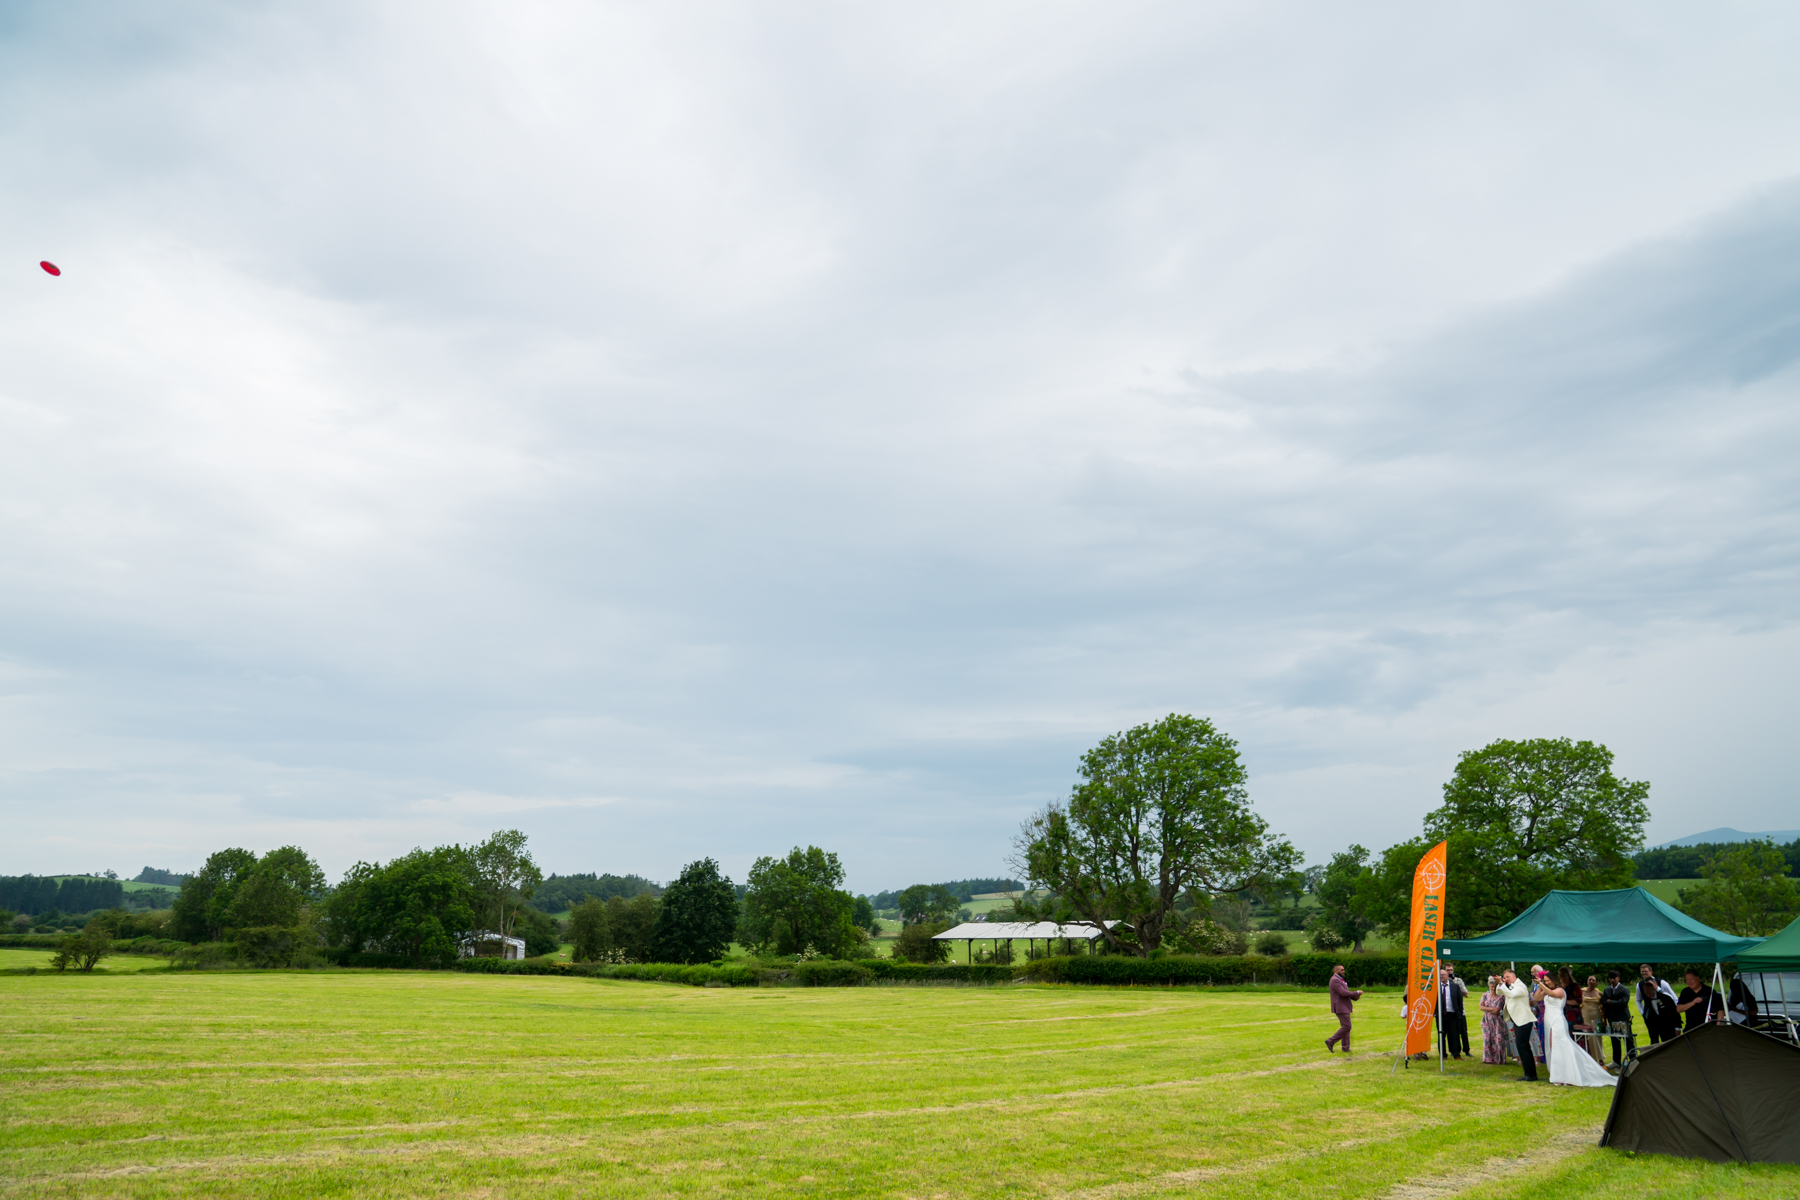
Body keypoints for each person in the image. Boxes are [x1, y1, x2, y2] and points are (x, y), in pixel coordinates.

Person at [1539, 966, 1616, 1087]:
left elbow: (1551, 993)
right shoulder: (1545, 989)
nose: (1546, 982)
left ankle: (1563, 1074)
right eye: (1545, 980)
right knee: (1552, 1047)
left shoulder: (1559, 990)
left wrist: (1541, 984)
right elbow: (1537, 998)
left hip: (1557, 1020)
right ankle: (1558, 1073)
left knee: (1560, 1046)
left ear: (1554, 980)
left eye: (1548, 980)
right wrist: (1540, 985)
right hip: (1548, 1021)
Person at [1497, 968, 1539, 1081]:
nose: (1506, 979)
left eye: (1507, 977)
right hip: (1517, 1019)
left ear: (1514, 976)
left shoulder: (1520, 986)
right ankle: (1529, 1073)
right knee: (1522, 1046)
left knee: (1523, 1046)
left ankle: (1530, 1074)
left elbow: (1510, 994)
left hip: (1524, 1019)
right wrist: (1500, 983)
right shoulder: (1511, 986)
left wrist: (1502, 983)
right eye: (1504, 977)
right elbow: (1499, 992)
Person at [1600, 970, 1636, 1066]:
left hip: (1623, 1018)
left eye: (1614, 978)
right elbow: (1604, 1003)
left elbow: (1623, 1003)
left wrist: (1610, 1001)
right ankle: (1616, 1061)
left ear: (1618, 978)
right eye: (1610, 978)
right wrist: (1615, 1002)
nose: (1612, 980)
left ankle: (1632, 1060)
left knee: (1628, 1039)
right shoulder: (1607, 990)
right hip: (1612, 1018)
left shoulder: (1625, 989)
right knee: (1615, 1040)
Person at [1636, 965, 1680, 1044]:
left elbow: (1674, 999)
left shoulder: (1662, 983)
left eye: (1645, 971)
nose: (1644, 973)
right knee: (1653, 1039)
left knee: (1667, 1039)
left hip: (1665, 1018)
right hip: (1651, 1017)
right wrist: (1642, 1012)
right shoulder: (1639, 985)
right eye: (1642, 972)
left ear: (1651, 972)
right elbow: (1638, 1000)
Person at [1325, 963, 1362, 1053]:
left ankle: (1345, 1047)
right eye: (1342, 970)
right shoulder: (1335, 980)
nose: (1344, 971)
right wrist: (1356, 992)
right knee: (1347, 1026)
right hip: (1340, 1006)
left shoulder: (1340, 979)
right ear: (1336, 971)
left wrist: (1355, 998)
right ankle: (1331, 1041)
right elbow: (1343, 993)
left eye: (1344, 969)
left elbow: (1345, 992)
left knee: (1345, 1026)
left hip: (1344, 1006)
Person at [1440, 967, 1470, 1060]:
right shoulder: (1435, 986)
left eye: (1443, 975)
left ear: (1447, 976)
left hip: (1453, 1013)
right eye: (1440, 975)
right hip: (1441, 1014)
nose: (1441, 977)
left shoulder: (1455, 986)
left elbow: (1459, 999)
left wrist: (1460, 1012)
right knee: (1441, 1034)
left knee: (1455, 1034)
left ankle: (1456, 1054)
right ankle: (1443, 1055)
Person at [1677, 969, 1716, 1033]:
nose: (1689, 982)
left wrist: (1719, 1025)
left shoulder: (1709, 991)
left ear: (1697, 979)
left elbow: (1720, 1009)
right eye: (1687, 980)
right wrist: (1693, 1002)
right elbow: (1678, 1009)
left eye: (1691, 979)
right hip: (1690, 1029)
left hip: (1708, 1028)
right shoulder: (1685, 992)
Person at [1479, 976, 1507, 1064]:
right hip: (1486, 1020)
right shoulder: (1485, 995)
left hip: (1497, 1021)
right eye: (1492, 986)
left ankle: (1499, 1059)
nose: (1493, 988)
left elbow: (1497, 1010)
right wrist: (1490, 1009)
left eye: (1495, 986)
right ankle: (1488, 1058)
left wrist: (1486, 1008)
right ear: (1489, 986)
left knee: (1498, 1039)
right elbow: (1480, 1007)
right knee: (1487, 1039)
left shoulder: (1500, 997)